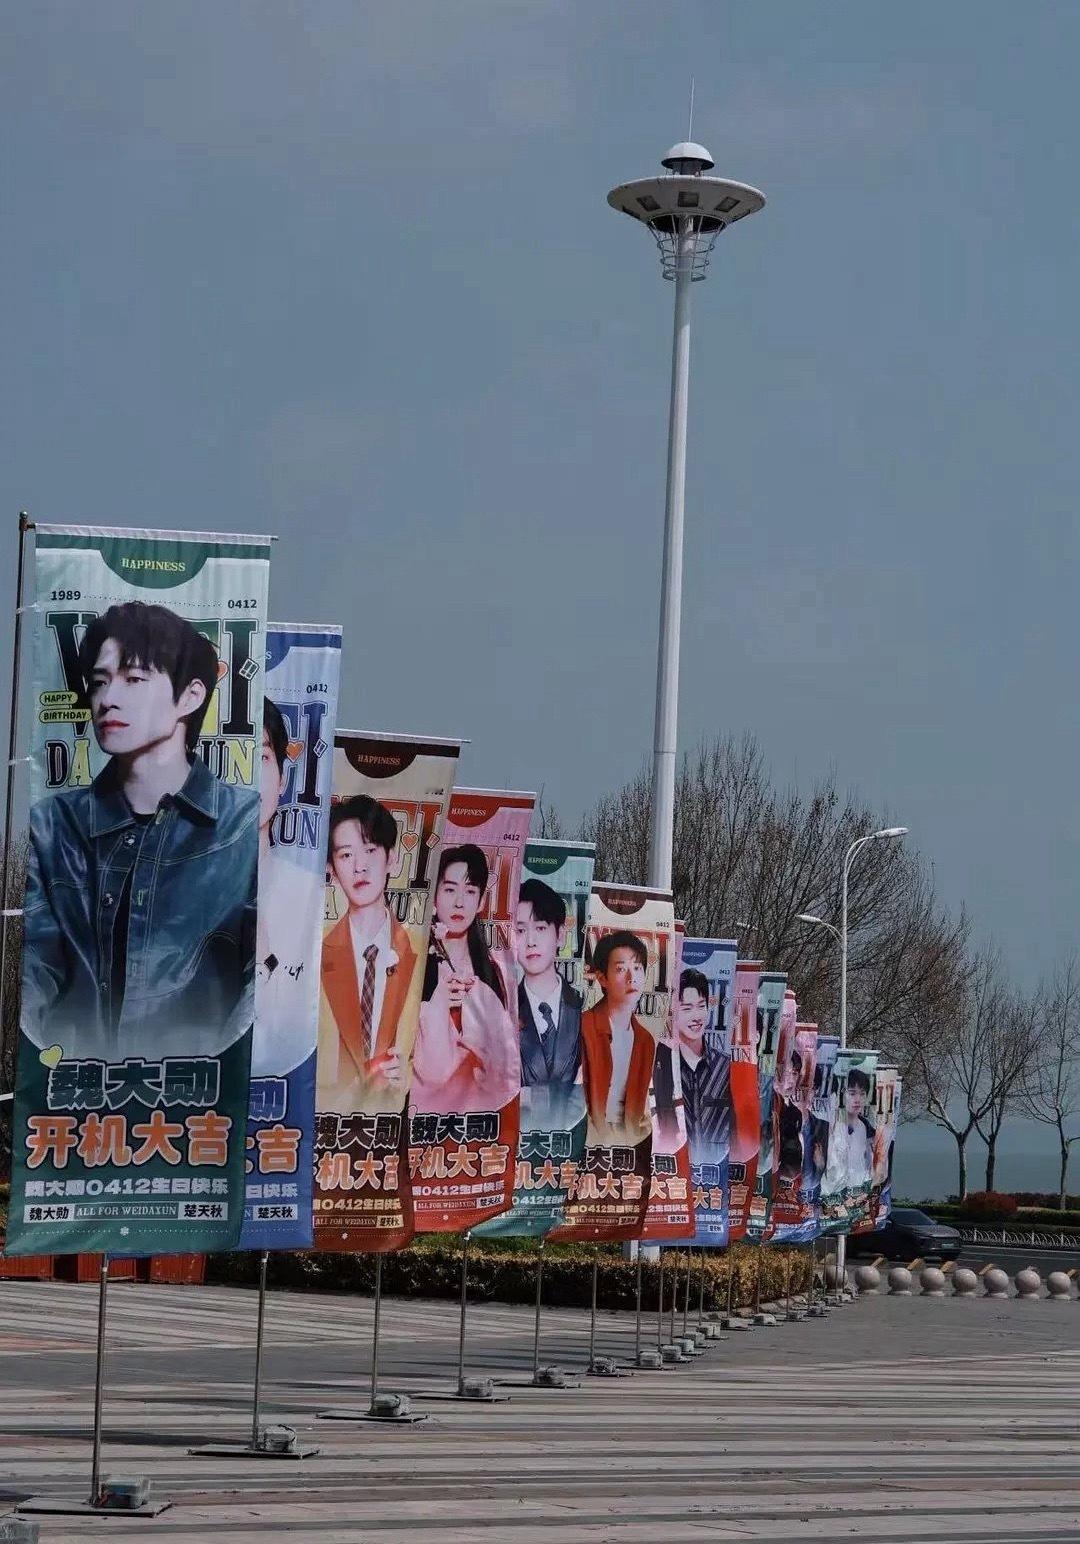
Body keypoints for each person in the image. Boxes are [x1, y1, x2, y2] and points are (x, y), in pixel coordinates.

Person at [22, 599, 257, 1062]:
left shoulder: (244, 825)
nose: (108, 698)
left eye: (134, 679)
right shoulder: (52, 827)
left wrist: (213, 1072)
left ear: (190, 696)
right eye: (99, 682)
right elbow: (32, 968)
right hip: (72, 1088)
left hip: (198, 1090)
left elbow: (265, 979)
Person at [317, 794, 413, 1116]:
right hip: (328, 1123)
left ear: (391, 859)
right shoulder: (315, 953)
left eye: (370, 850)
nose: (360, 866)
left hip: (391, 1123)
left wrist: (409, 1076)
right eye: (346, 855)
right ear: (331, 869)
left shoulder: (419, 951)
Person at [411, 844, 518, 1116]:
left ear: (481, 901)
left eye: (470, 891)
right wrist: (436, 1005)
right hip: (423, 1114)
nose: (459, 902)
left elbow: (504, 1064)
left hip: (479, 1119)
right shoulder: (417, 964)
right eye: (450, 889)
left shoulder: (492, 971)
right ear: (434, 897)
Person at [251, 697, 326, 1079]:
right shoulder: (176, 891)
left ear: (282, 779)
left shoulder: (310, 893)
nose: (248, 777)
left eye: (262, 757)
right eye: (235, 759)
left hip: (282, 1089)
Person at [514, 877, 583, 1128]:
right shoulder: (503, 1011)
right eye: (521, 930)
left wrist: (531, 1097)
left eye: (541, 928)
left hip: (570, 1143)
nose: (530, 941)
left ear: (560, 935)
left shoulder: (584, 1008)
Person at [580, 930, 656, 1147]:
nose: (632, 978)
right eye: (621, 969)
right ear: (602, 978)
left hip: (631, 1143)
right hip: (588, 1139)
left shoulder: (645, 1040)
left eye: (637, 968)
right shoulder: (584, 1027)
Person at [652, 967, 729, 1161]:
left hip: (714, 1172)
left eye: (701, 1006)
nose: (696, 1016)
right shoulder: (661, 1066)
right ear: (672, 1012)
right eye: (687, 1008)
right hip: (672, 1170)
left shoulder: (725, 1068)